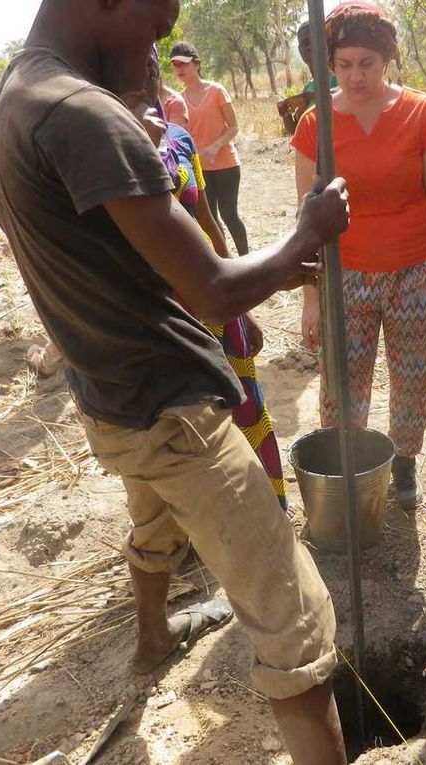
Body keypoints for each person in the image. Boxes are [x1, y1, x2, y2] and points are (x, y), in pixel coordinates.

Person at [0, 2, 350, 762]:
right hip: (171, 406)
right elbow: (210, 287)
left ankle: (152, 640)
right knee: (296, 616)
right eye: (156, 20)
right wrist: (306, 233)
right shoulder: (83, 115)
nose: (159, 45)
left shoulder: (12, 100)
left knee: (154, 522)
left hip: (109, 396)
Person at [291, 1, 426, 508]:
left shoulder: (420, 113)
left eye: (366, 63)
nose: (355, 75)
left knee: (414, 377)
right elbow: (307, 223)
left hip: (414, 272)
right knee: (342, 386)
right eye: (344, 65)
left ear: (385, 59)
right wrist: (310, 297)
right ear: (330, 66)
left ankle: (404, 464)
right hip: (345, 275)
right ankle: (350, 468)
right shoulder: (315, 123)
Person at [136, 51, 289, 511]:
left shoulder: (179, 139)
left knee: (248, 410)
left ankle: (271, 510)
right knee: (187, 432)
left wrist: (243, 307)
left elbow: (209, 226)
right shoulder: (106, 150)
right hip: (163, 321)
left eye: (151, 65)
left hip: (217, 307)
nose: (145, 76)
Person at [170, 41, 250, 256]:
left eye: (183, 64)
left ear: (197, 64)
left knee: (229, 214)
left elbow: (234, 127)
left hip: (227, 164)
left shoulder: (217, 91)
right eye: (175, 65)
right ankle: (226, 262)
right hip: (200, 168)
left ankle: (247, 259)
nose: (179, 70)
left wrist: (216, 146)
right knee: (211, 218)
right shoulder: (178, 100)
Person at [277, 21, 341, 136]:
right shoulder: (309, 86)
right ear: (300, 50)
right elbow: (297, 130)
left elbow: (344, 97)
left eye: (315, 41)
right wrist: (285, 114)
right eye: (305, 43)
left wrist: (309, 96)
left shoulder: (339, 77)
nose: (310, 47)